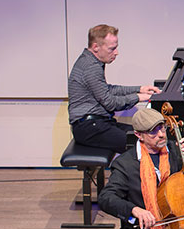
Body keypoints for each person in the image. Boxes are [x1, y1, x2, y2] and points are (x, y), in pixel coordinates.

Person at [68, 24, 161, 152]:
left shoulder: (91, 61)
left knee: (146, 135)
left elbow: (108, 90)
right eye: (112, 48)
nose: (116, 53)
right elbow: (110, 103)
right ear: (96, 47)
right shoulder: (91, 67)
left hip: (95, 124)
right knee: (145, 143)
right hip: (90, 128)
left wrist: (140, 89)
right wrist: (139, 97)